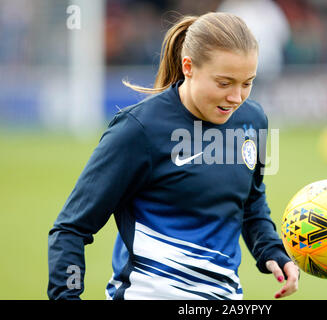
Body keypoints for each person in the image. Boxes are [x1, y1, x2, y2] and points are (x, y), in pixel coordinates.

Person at [48, 11, 299, 300]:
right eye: (224, 83)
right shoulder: (139, 130)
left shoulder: (253, 121)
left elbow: (251, 203)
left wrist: (273, 252)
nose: (236, 97)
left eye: (247, 83)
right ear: (188, 66)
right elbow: (71, 228)